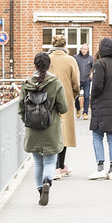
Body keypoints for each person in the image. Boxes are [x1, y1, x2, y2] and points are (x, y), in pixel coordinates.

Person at [17, 51, 68, 205]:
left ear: (35, 65)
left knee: (38, 162)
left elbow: (21, 108)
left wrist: (29, 121)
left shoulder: (27, 83)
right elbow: (64, 108)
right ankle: (47, 181)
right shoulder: (56, 84)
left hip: (33, 130)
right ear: (49, 65)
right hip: (51, 129)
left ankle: (40, 190)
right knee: (50, 162)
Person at [85, 37, 112, 179]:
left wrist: (92, 97)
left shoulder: (99, 64)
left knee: (97, 136)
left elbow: (97, 86)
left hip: (102, 105)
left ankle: (100, 168)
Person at [46, 35, 81, 178]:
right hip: (65, 100)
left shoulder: (47, 58)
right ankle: (59, 166)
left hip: (47, 100)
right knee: (64, 133)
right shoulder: (71, 60)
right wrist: (72, 96)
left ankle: (54, 167)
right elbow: (76, 84)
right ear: (65, 46)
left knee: (51, 132)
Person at [75, 43, 93, 119]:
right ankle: (78, 109)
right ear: (80, 49)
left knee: (86, 96)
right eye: (83, 49)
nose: (84, 51)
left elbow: (93, 67)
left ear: (88, 50)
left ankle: (85, 112)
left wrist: (91, 74)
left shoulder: (91, 58)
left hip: (86, 80)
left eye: (85, 49)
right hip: (78, 79)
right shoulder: (76, 57)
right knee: (76, 96)